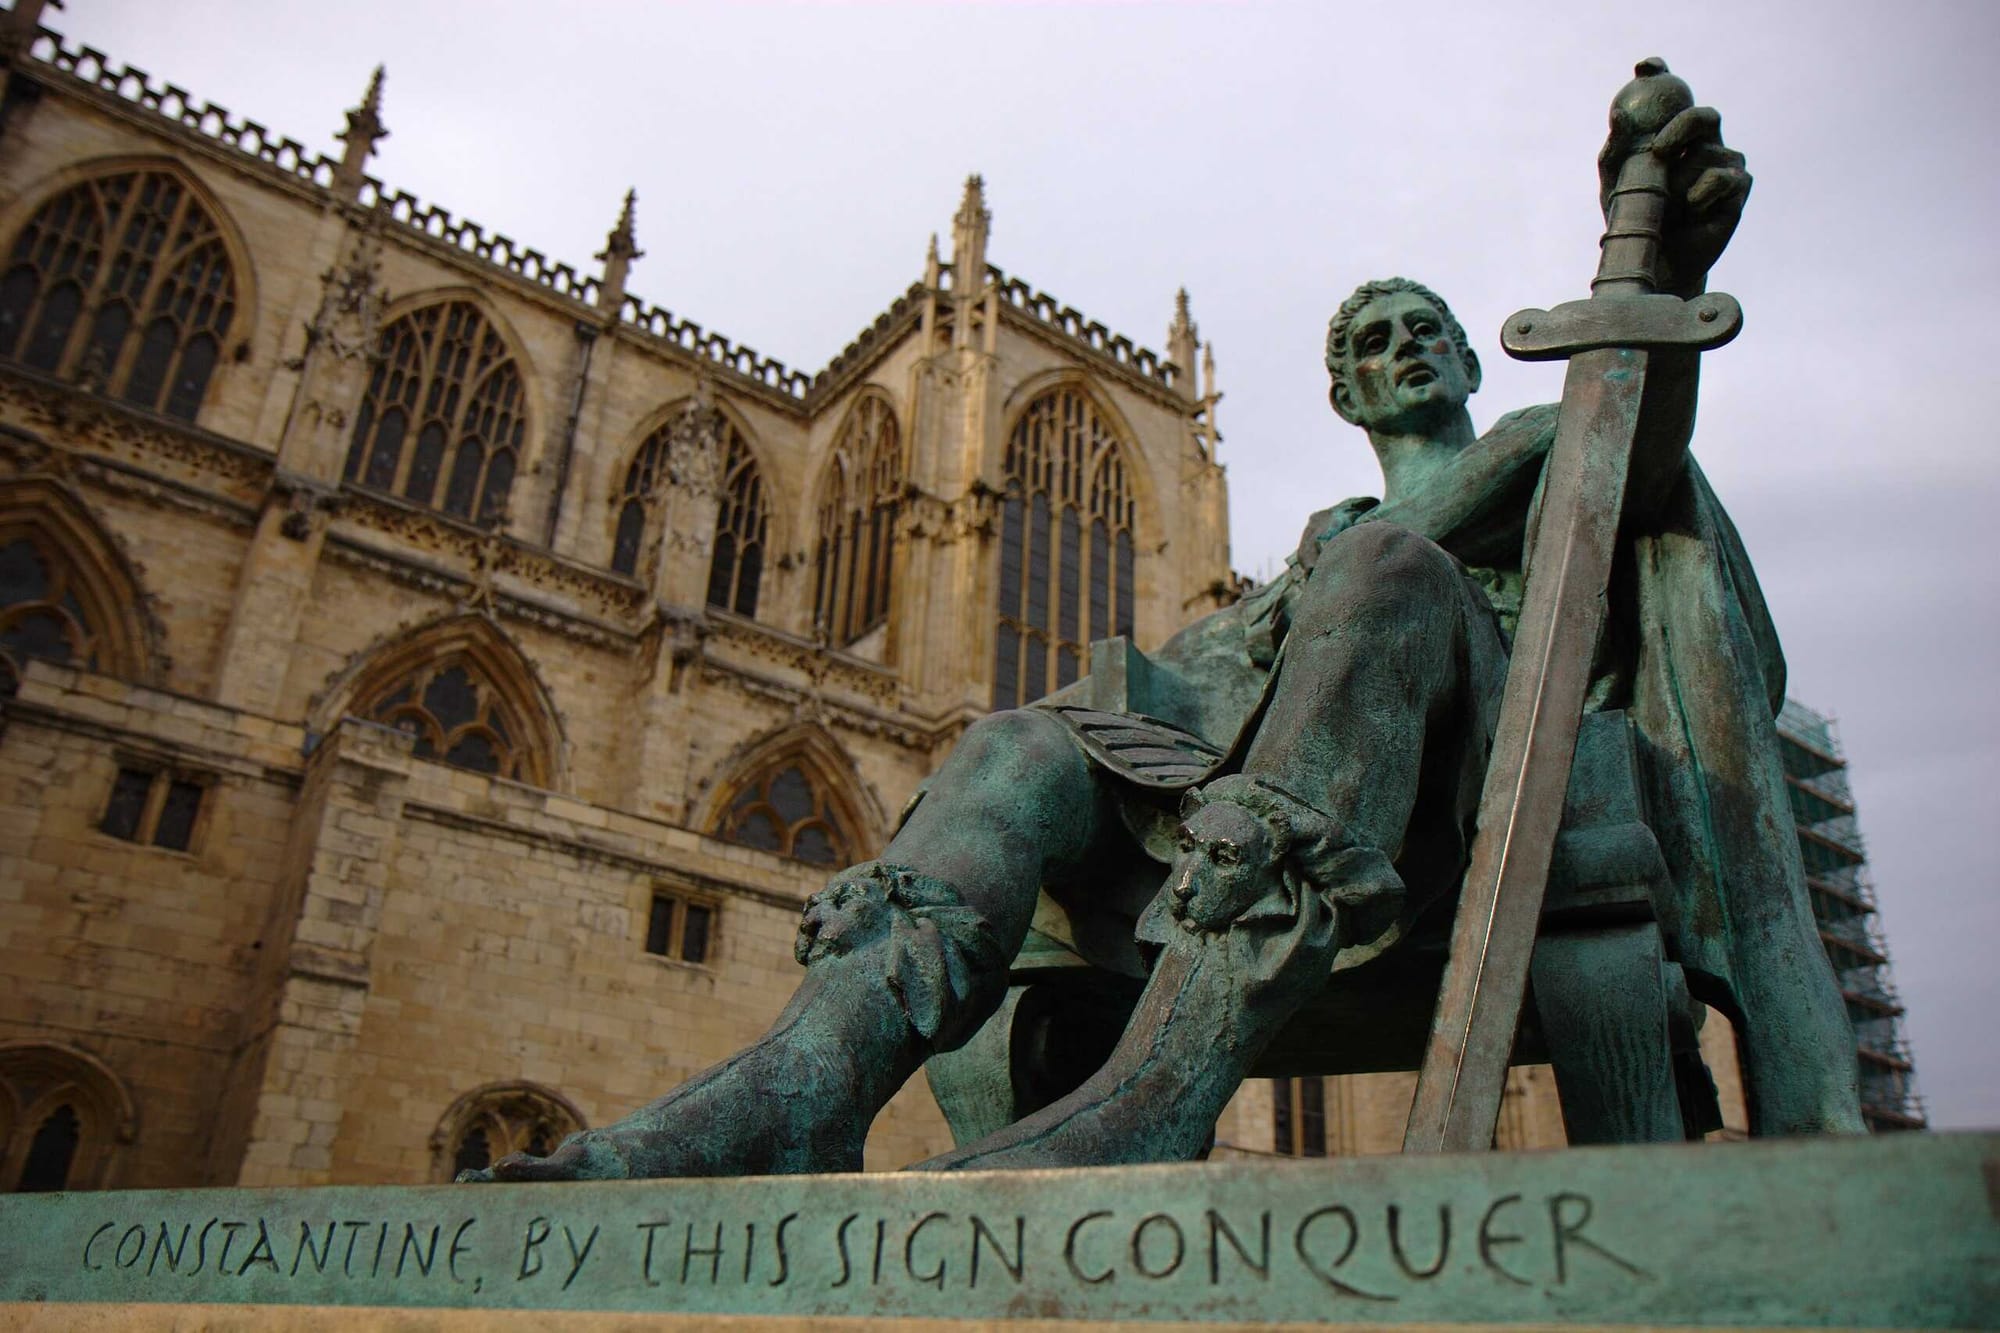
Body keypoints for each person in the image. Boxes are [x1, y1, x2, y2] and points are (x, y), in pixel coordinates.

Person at [466, 98, 1861, 1183]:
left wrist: (1662, 297)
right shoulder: (1320, 539)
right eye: (1373, 338)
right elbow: (1215, 676)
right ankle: (802, 1091)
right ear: (1343, 388)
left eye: (1424, 327)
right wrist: (1086, 739)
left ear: (1472, 355)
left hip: (1486, 793)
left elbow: (1647, 450)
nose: (1402, 346)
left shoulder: (1551, 444)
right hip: (1283, 772)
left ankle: (1167, 1079)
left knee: (1385, 562)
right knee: (1013, 741)